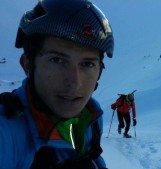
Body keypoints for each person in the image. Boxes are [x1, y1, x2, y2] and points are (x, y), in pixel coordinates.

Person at [0, 0, 114, 168]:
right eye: (57, 60)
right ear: (27, 65)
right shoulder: (6, 134)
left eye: (88, 64)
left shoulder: (91, 118)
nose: (75, 83)